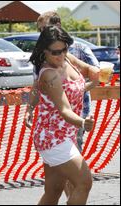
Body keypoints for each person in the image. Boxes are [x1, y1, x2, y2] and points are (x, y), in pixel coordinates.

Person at [29, 25, 100, 205]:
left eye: (64, 50)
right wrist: (83, 122)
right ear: (44, 51)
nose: (60, 56)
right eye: (55, 52)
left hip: (63, 135)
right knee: (84, 182)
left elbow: (84, 77)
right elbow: (64, 109)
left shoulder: (66, 59)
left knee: (53, 192)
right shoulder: (49, 74)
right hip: (52, 137)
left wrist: (95, 76)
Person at [25, 11, 99, 154]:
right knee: (79, 175)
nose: (42, 33)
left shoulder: (76, 51)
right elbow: (36, 86)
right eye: (40, 30)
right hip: (55, 129)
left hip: (75, 120)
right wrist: (29, 108)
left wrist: (96, 74)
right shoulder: (44, 59)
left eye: (45, 28)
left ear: (57, 26)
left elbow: (94, 69)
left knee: (61, 175)